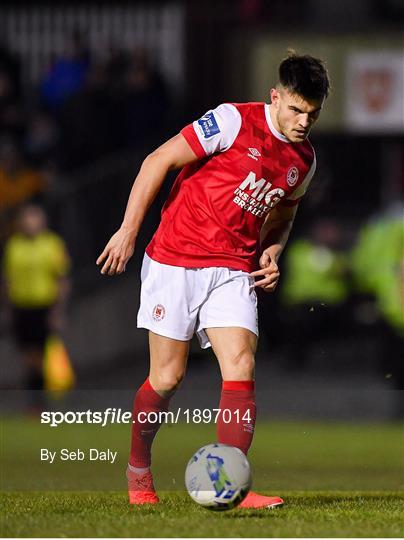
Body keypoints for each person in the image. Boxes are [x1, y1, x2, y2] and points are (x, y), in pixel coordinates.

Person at [97, 52, 330, 508]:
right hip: (175, 259)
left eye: (313, 114)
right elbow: (157, 160)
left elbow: (284, 210)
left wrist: (275, 247)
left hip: (232, 268)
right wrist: (128, 229)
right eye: (297, 109)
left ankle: (230, 484)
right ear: (276, 96)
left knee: (241, 365)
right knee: (167, 377)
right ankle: (138, 468)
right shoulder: (231, 122)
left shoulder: (304, 160)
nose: (304, 121)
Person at [2, 204, 71, 410]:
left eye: (35, 219)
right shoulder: (14, 246)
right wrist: (7, 309)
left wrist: (57, 310)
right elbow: (7, 280)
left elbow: (62, 278)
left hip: (44, 307)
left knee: (43, 356)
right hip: (21, 308)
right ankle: (33, 401)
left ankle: (43, 402)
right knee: (27, 356)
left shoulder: (52, 244)